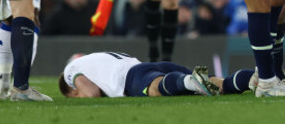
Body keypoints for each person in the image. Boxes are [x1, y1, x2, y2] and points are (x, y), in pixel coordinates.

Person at [59, 52, 255, 98]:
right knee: (220, 84)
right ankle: (259, 79)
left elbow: (91, 93)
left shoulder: (70, 71)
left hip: (131, 77)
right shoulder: (94, 57)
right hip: (148, 66)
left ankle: (192, 82)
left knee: (156, 88)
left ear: (71, 91)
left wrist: (79, 93)